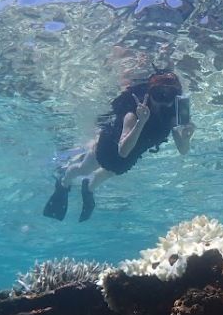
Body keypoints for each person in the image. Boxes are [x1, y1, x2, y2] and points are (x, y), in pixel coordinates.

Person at [43, 69, 196, 222]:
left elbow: (183, 150)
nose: (163, 101)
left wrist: (186, 138)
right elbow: (123, 151)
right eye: (158, 94)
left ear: (175, 97)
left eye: (169, 96)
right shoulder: (133, 114)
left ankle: (88, 188)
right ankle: (63, 182)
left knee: (106, 174)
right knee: (84, 168)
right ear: (149, 94)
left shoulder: (172, 118)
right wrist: (140, 122)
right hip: (108, 148)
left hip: (130, 157)